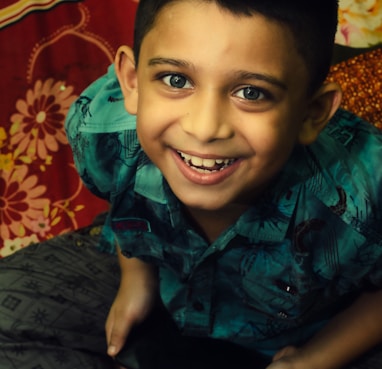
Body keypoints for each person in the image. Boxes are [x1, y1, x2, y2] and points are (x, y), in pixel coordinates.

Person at [1, 0, 382, 368]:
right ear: (132, 82)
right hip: (164, 276)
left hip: (308, 329)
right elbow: (119, 198)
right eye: (176, 79)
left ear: (311, 113)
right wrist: (136, 276)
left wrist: (315, 360)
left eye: (251, 93)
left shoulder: (360, 198)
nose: (203, 128)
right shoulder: (102, 131)